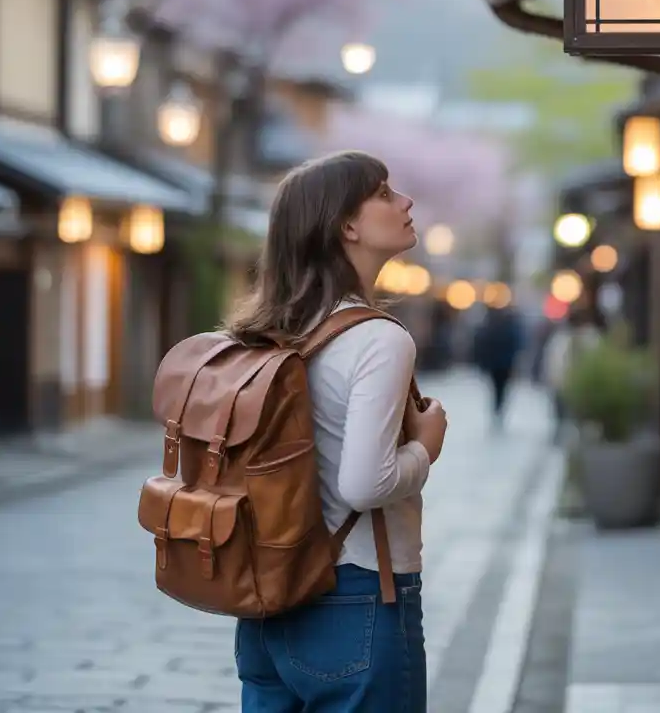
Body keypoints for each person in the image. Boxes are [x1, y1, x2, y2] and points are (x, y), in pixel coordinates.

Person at [225, 151, 449, 713]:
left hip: (269, 597)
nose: (405, 202)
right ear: (346, 225)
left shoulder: (269, 331)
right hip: (356, 595)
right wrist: (426, 446)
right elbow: (366, 484)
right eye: (383, 192)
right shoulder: (378, 340)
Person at [541, 302, 602, 443]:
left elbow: (553, 361)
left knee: (574, 415)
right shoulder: (564, 338)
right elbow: (554, 362)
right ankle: (564, 435)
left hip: (575, 384)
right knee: (563, 413)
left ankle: (572, 437)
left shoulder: (587, 338)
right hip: (564, 383)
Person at [470, 301, 524, 427]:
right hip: (503, 363)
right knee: (501, 387)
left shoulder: (490, 327)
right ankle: (498, 407)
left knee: (497, 387)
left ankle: (497, 407)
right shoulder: (507, 327)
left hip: (496, 363)